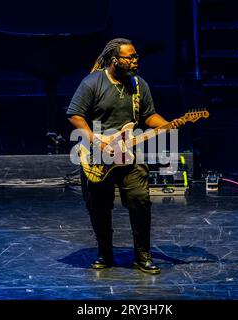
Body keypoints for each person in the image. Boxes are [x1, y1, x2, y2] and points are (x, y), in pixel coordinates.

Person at [66, 38, 184, 274]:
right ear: (114, 60)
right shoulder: (93, 83)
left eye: (135, 56)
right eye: (129, 57)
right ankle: (105, 254)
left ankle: (142, 256)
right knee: (99, 206)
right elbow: (75, 114)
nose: (134, 61)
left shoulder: (139, 85)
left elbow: (149, 115)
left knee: (140, 201)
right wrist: (95, 140)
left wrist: (169, 125)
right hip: (99, 154)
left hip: (130, 154)